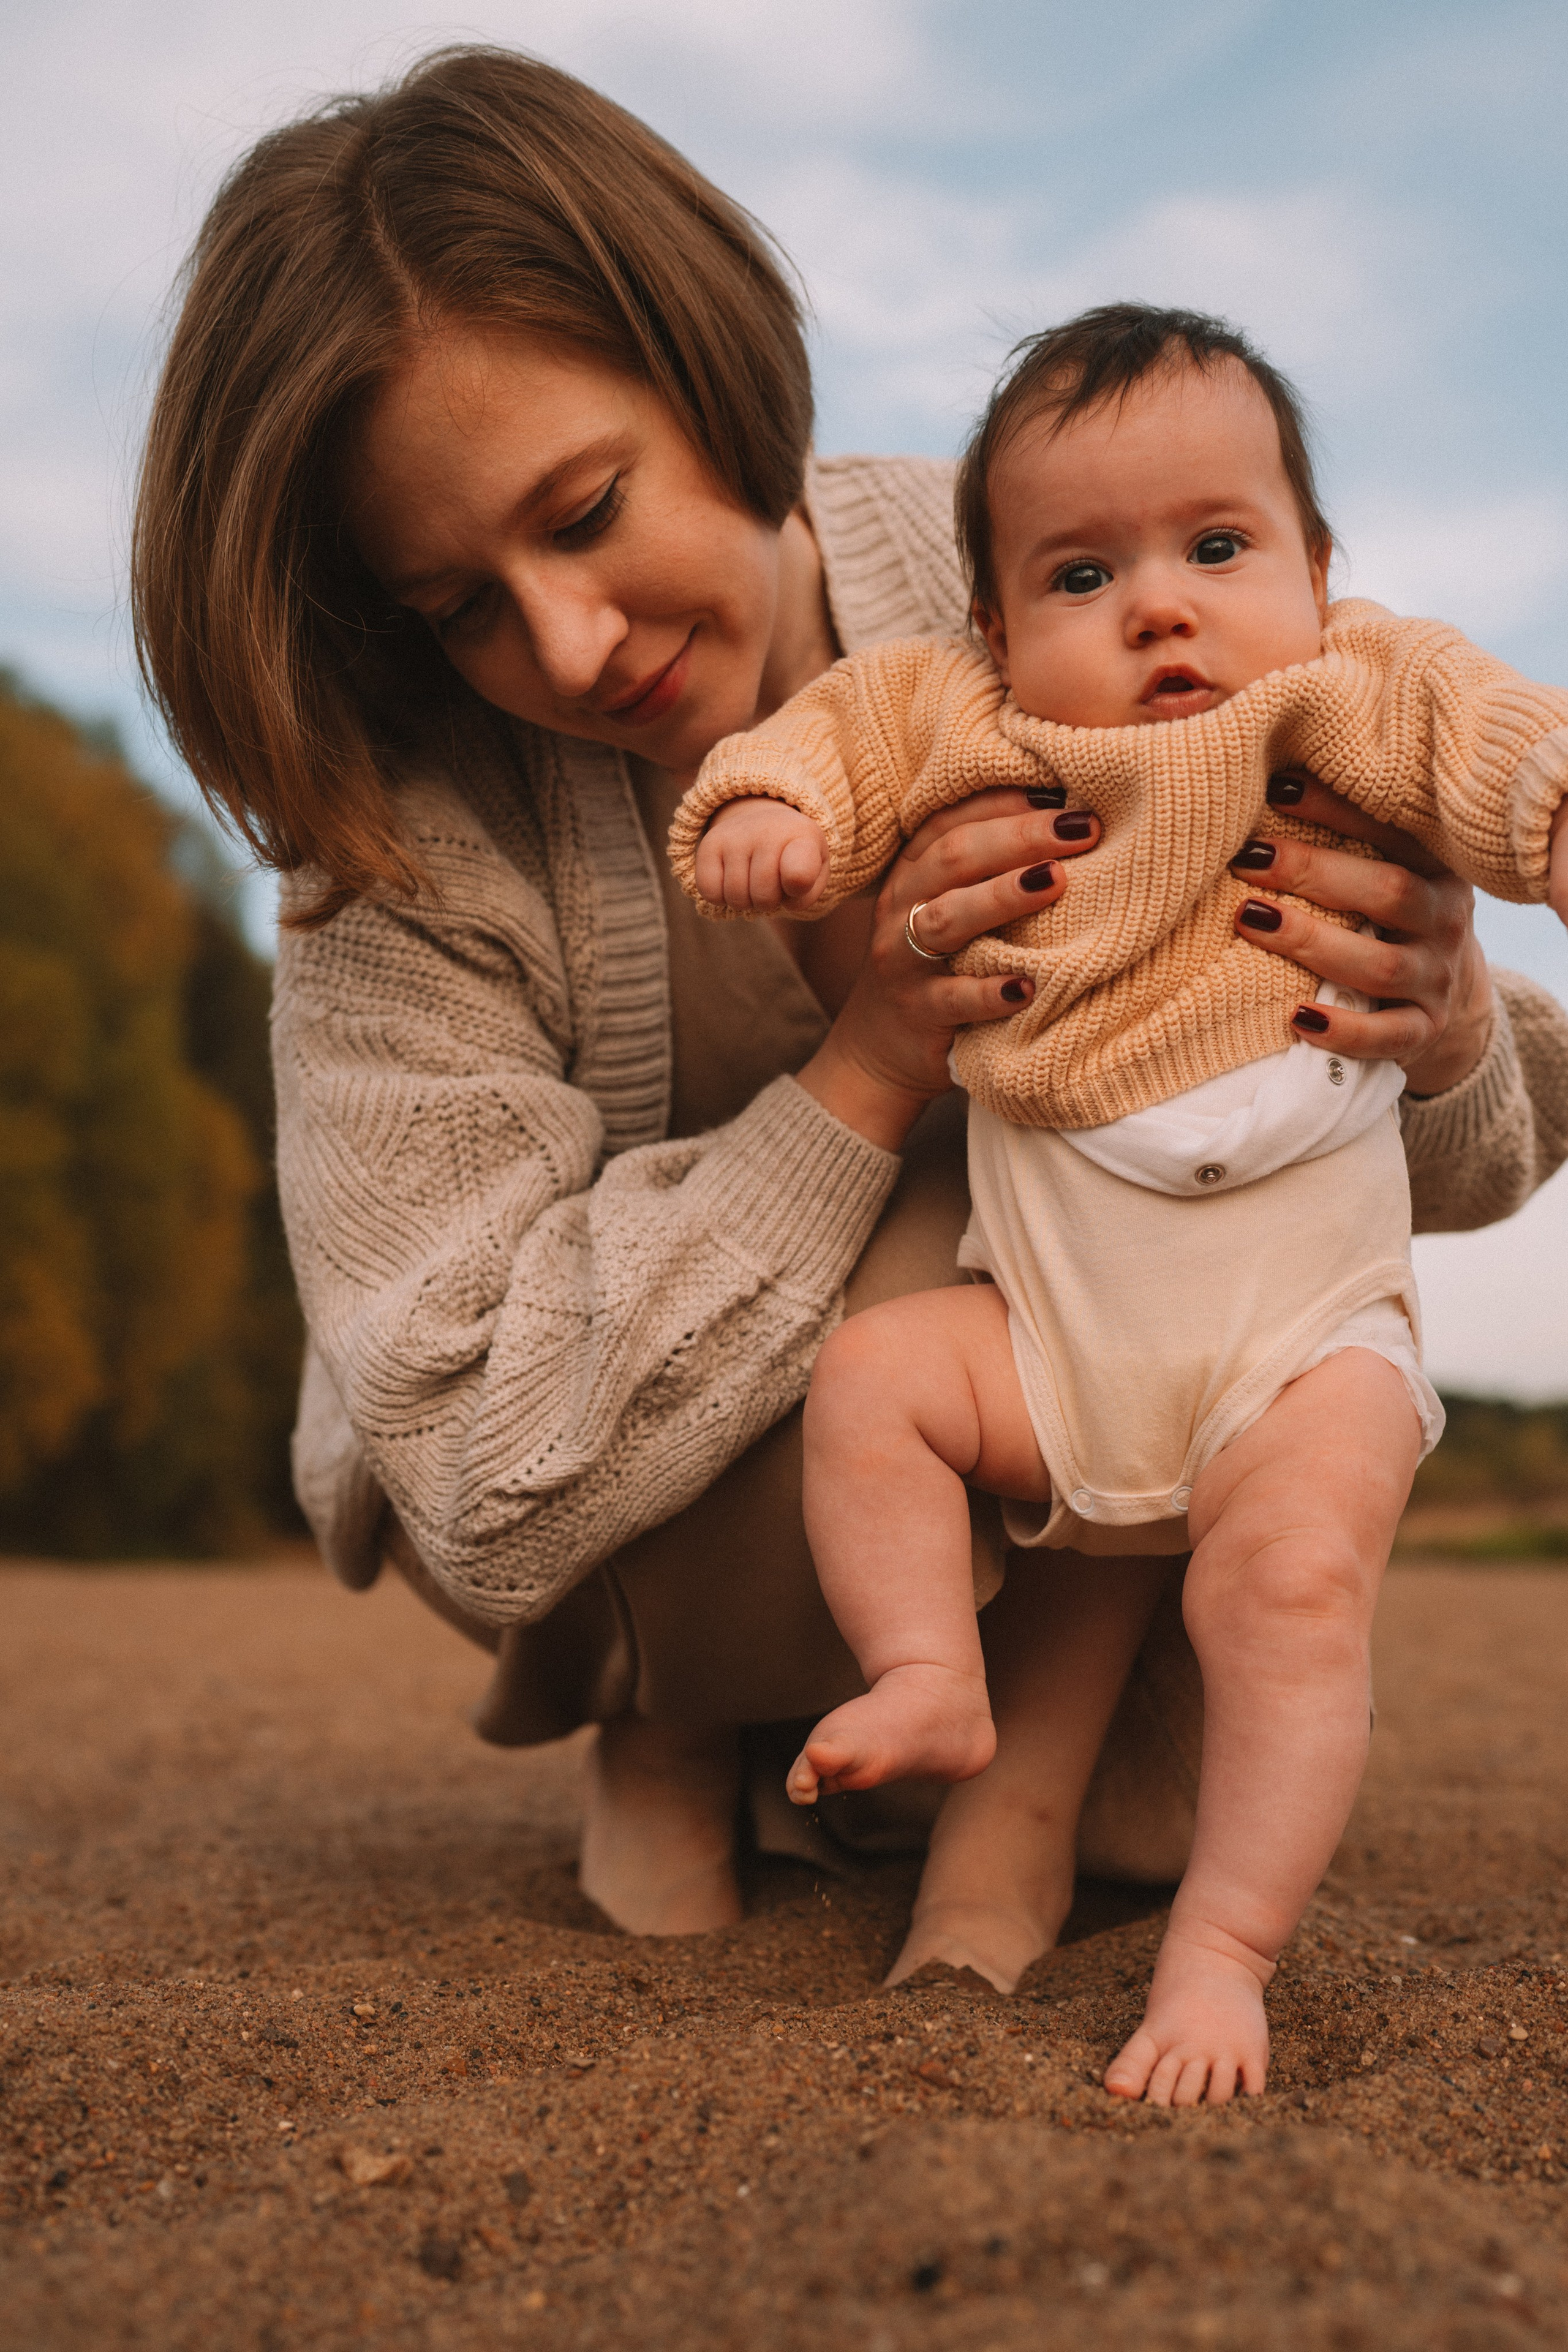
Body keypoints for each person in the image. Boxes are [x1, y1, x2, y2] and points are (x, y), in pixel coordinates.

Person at [130, 50, 1568, 1961]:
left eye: (583, 511)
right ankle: (670, 1705)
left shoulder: (1064, 572)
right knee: (914, 1261)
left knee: (1161, 1787)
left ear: (707, 362)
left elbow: (1474, 1159)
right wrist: (874, 1060)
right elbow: (477, 1466)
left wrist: (1440, 1013)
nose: (565, 646)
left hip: (1088, 1372)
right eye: (453, 605)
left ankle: (918, 1729)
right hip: (636, 1475)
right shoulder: (395, 840)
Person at [675, 304, 1568, 2103]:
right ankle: (930, 1671)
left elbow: (1491, 742)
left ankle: (1223, 1953)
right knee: (876, 1384)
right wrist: (770, 813)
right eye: (1086, 572)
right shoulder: (972, 720)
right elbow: (830, 738)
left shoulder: (1346, 694)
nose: (1160, 607)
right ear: (997, 625)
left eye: (1219, 549)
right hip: (1060, 1350)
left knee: (1296, 1592)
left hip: (1296, 1349)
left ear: (1321, 573)